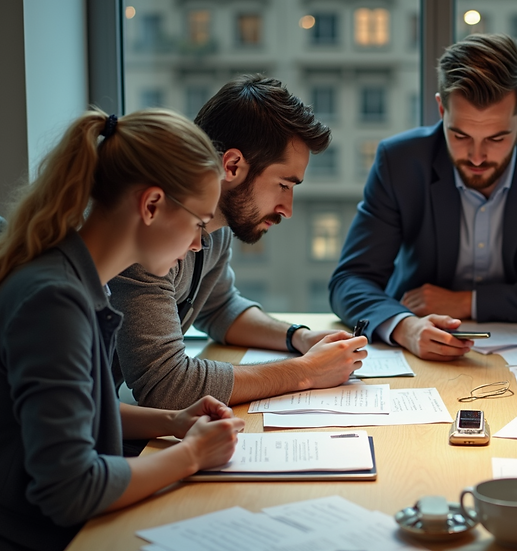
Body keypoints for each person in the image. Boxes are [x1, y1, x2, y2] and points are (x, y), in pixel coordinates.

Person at [0, 109, 247, 550]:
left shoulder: (74, 278)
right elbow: (72, 489)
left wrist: (175, 422)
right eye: (199, 223)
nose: (199, 243)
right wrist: (193, 455)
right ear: (152, 205)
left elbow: (75, 409)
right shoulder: (53, 302)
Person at [329, 33, 517, 361]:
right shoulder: (400, 162)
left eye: (496, 138)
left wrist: (468, 302)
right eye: (460, 134)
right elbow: (349, 281)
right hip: (417, 353)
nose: (477, 157)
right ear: (441, 109)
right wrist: (404, 327)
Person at [109, 76, 367, 409]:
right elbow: (165, 385)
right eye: (284, 185)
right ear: (232, 166)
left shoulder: (217, 229)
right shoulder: (154, 233)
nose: (287, 210)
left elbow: (217, 307)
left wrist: (300, 337)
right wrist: (306, 372)